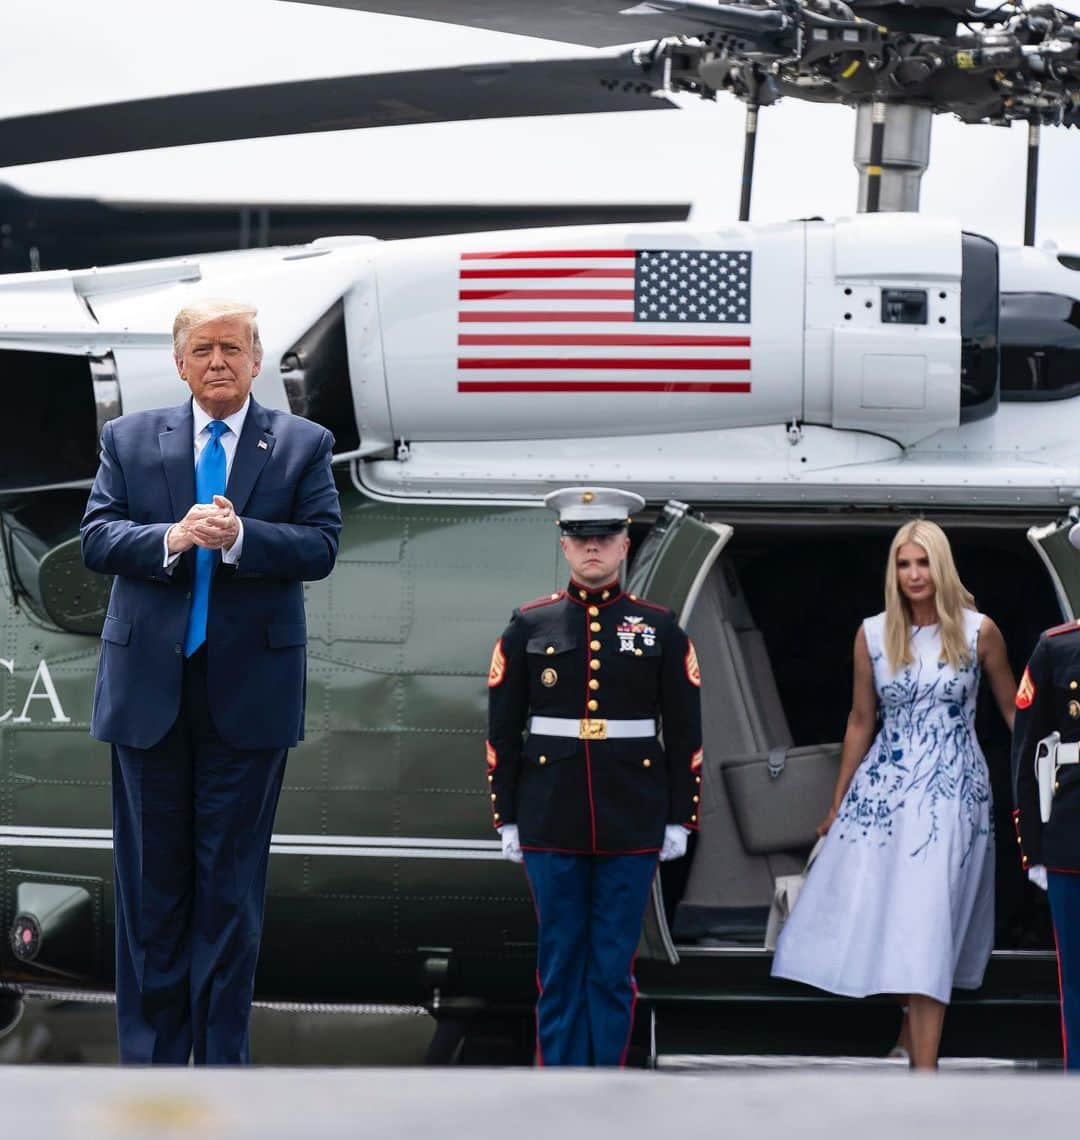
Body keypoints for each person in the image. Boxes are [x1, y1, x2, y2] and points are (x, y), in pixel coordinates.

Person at [81, 298, 341, 1064]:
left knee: (228, 898)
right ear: (180, 362)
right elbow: (97, 535)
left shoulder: (301, 444)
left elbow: (322, 545)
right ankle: (151, 1071)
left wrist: (239, 540)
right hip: (146, 699)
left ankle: (222, 1072)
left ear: (258, 360)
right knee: (150, 897)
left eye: (233, 347)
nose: (218, 361)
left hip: (247, 701)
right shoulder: (128, 440)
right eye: (203, 349)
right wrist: (172, 535)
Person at [770, 519, 1016, 1069]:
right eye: (904, 564)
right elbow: (860, 720)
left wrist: (1040, 788)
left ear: (941, 566)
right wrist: (836, 806)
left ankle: (922, 1070)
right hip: (882, 793)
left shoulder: (980, 632)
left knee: (929, 915)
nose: (913, 574)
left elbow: (1011, 712)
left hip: (953, 793)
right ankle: (909, 1038)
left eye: (923, 562)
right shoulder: (874, 634)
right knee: (898, 913)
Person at [486, 486, 702, 1066]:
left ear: (625, 544)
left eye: (604, 538)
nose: (592, 550)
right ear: (564, 545)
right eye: (581, 539)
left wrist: (680, 818)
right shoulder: (530, 625)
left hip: (630, 820)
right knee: (559, 965)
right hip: (550, 818)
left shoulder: (657, 628)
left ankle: (606, 1089)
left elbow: (685, 732)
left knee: (611, 968)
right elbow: (502, 731)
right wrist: (507, 817)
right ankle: (557, 1087)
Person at [1011, 520, 1080, 1070]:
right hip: (1074, 839)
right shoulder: (1058, 650)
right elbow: (1026, 755)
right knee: (1077, 980)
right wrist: (1033, 849)